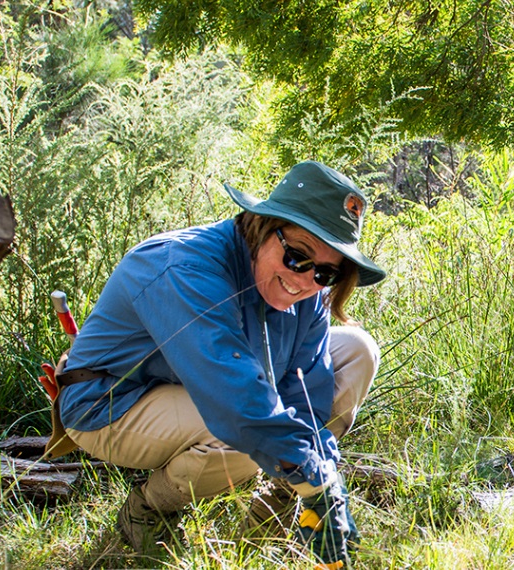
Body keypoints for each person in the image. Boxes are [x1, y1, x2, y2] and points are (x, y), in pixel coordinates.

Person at [43, 161, 385, 567]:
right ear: (261, 226)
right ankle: (148, 509)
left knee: (357, 350)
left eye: (327, 273)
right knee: (238, 430)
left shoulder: (308, 290)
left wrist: (321, 470)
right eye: (297, 257)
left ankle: (277, 500)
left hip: (209, 393)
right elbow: (232, 399)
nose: (306, 279)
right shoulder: (186, 267)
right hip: (108, 402)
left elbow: (305, 389)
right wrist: (319, 486)